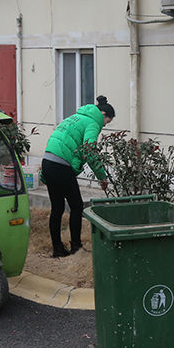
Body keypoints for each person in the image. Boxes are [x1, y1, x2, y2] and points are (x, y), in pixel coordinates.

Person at [41, 95, 114, 257]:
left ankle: (57, 249)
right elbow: (89, 151)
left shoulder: (76, 117)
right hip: (61, 165)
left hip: (48, 161)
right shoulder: (93, 122)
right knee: (77, 206)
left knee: (57, 207)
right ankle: (76, 247)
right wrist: (102, 177)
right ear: (102, 114)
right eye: (107, 122)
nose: (104, 125)